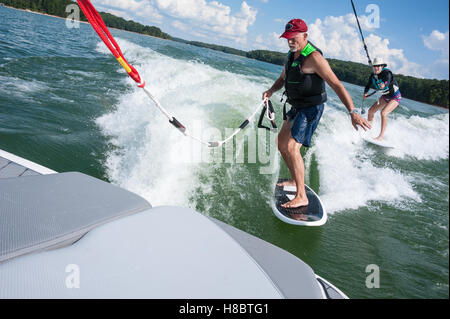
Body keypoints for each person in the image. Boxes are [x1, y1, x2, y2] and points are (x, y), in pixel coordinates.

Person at [262, 19, 371, 209]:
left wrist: (352, 111)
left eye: (293, 38)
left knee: (292, 147)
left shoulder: (314, 58)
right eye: (287, 38)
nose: (290, 42)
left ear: (305, 36)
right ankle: (296, 181)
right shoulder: (290, 56)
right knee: (281, 143)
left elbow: (336, 84)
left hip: (311, 108)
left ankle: (301, 196)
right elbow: (282, 79)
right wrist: (271, 91)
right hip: (295, 105)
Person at [364, 58, 401, 141]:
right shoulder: (373, 76)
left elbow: (388, 79)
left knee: (383, 113)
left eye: (378, 66)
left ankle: (380, 137)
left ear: (382, 66)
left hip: (395, 97)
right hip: (385, 97)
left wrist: (384, 84)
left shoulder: (386, 72)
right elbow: (368, 85)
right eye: (374, 66)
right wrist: (365, 93)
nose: (376, 68)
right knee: (370, 111)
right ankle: (369, 130)